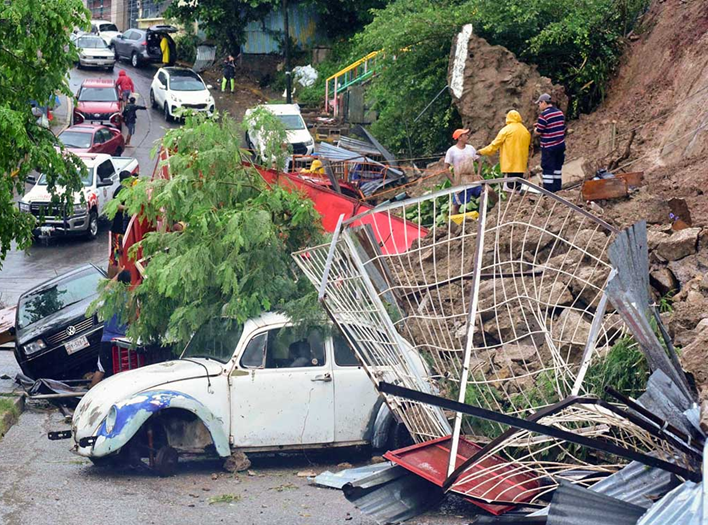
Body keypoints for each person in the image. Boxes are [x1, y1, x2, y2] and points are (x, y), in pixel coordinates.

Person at [91, 269, 131, 386]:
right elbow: (132, 319)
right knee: (121, 371)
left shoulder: (110, 295)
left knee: (101, 369)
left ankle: (90, 395)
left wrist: (119, 273)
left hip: (107, 339)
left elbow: (108, 286)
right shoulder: (129, 299)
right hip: (123, 342)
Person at [477, 110, 531, 191]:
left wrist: (481, 151)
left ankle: (510, 203)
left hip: (510, 164)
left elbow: (493, 146)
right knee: (517, 188)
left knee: (509, 188)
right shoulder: (525, 131)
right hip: (521, 164)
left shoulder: (506, 130)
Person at [534, 93, 566, 192]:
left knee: (547, 168)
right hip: (560, 145)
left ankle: (548, 191)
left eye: (539, 103)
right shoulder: (560, 113)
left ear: (543, 102)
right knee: (557, 167)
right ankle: (557, 188)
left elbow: (539, 131)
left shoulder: (544, 115)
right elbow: (557, 126)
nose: (539, 106)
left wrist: (535, 128)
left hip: (549, 146)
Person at [445, 128, 482, 214]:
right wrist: (454, 182)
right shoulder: (452, 151)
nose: (467, 136)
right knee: (457, 204)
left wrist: (478, 174)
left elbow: (479, 161)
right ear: (459, 138)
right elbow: (446, 169)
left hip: (472, 178)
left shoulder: (470, 148)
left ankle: (497, 205)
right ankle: (454, 223)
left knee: (487, 191)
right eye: (465, 135)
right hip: (460, 180)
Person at [108, 170, 136, 278]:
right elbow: (118, 206)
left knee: (118, 255)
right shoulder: (122, 190)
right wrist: (130, 209)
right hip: (118, 229)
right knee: (116, 256)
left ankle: (113, 278)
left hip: (119, 228)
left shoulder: (121, 189)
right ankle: (112, 279)